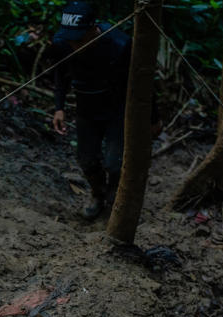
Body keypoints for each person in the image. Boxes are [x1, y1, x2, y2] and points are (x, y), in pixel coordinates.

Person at [51, 1, 162, 220]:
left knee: (115, 162)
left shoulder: (120, 45)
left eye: (80, 39)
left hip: (117, 110)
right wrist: (59, 108)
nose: (75, 45)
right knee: (87, 159)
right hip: (86, 109)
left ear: (94, 29)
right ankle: (97, 193)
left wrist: (154, 117)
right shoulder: (62, 43)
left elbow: (142, 82)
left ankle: (114, 195)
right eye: (71, 40)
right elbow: (60, 75)